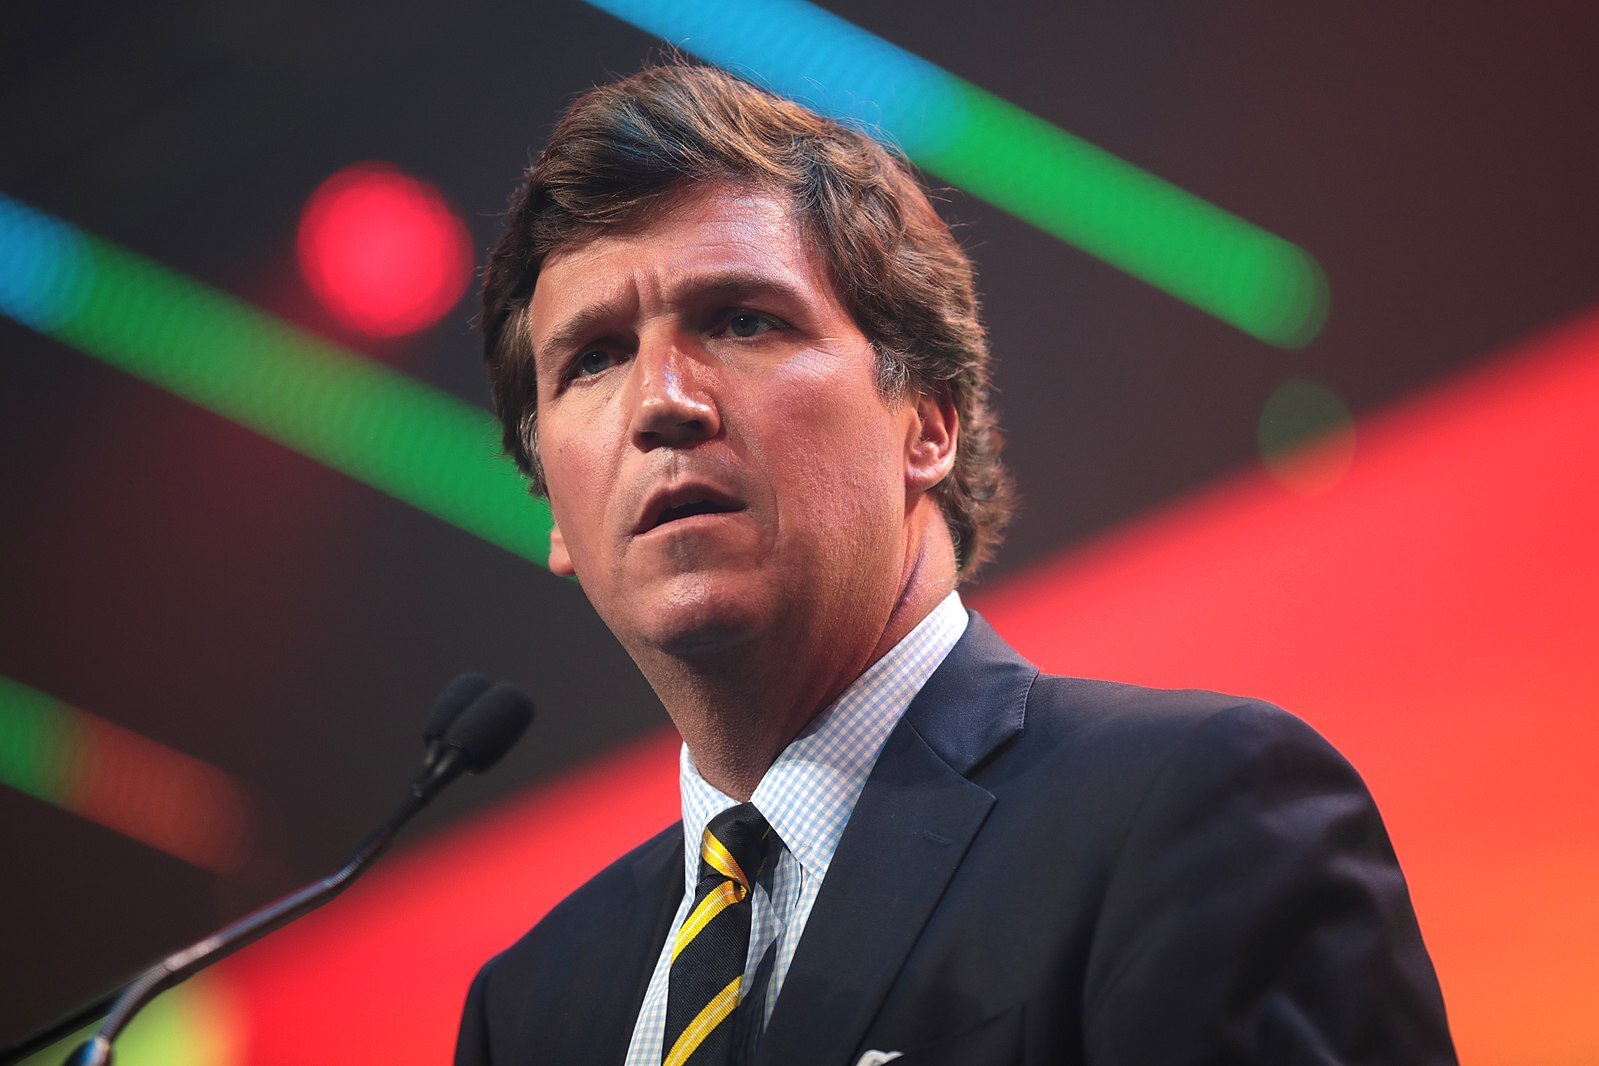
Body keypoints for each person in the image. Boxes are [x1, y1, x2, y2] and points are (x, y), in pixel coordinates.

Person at [455, 62, 1455, 1065]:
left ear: (928, 421)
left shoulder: (1194, 815)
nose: (662, 400)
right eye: (593, 357)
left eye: (742, 319)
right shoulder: (531, 1009)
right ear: (553, 513)